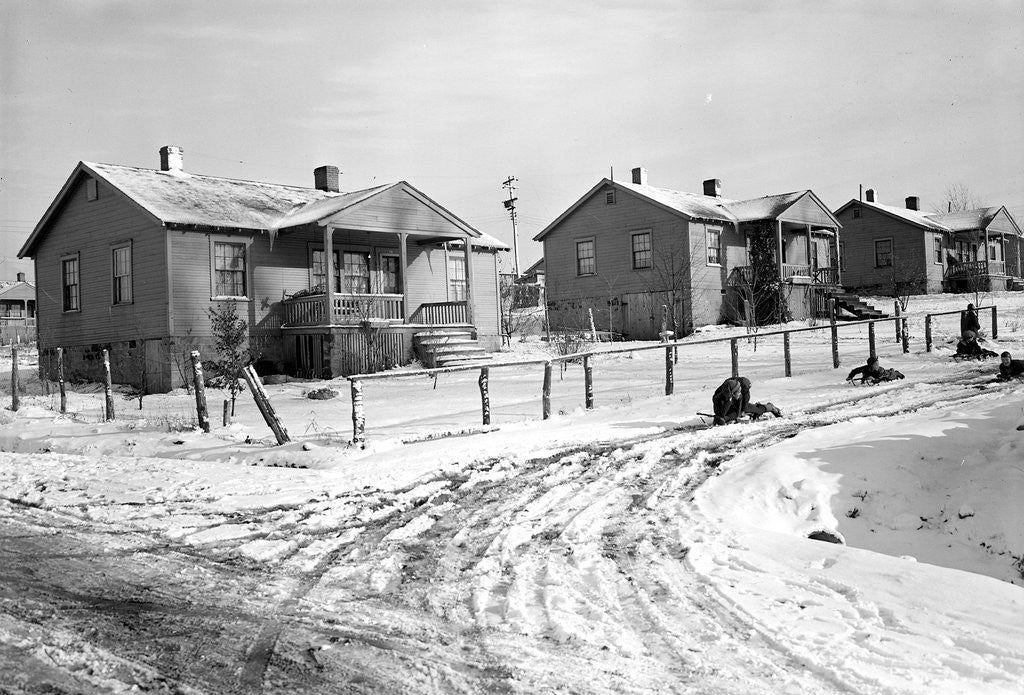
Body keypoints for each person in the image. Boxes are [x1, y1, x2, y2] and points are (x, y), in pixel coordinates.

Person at [711, 376, 782, 425]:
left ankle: (770, 407)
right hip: (729, 400)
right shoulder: (719, 396)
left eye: (739, 392)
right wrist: (721, 415)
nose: (739, 394)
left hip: (739, 400)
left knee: (752, 409)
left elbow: (739, 411)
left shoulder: (743, 390)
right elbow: (719, 412)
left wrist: (728, 418)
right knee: (725, 413)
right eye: (737, 393)